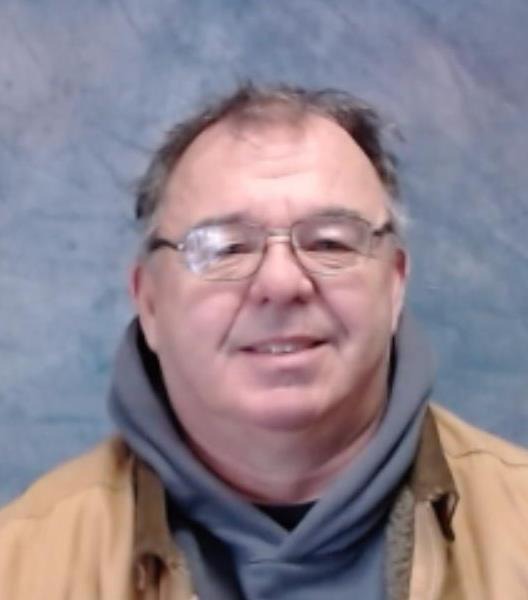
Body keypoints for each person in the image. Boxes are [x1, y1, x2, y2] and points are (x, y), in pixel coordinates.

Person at [1, 84, 527, 600]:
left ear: (394, 284)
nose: (281, 283)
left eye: (329, 242)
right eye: (226, 247)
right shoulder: (18, 568)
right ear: (150, 302)